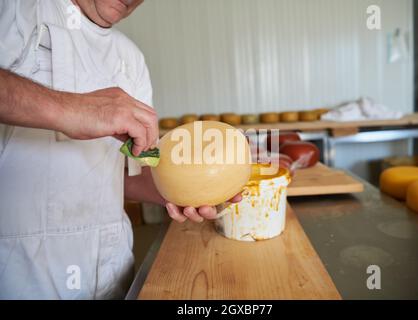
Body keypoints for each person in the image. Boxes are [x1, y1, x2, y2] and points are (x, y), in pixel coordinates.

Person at [0, 0, 240, 299]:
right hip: (18, 274)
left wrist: (187, 190)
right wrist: (67, 109)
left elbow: (121, 175)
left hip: (111, 271)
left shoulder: (131, 58)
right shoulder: (13, 10)